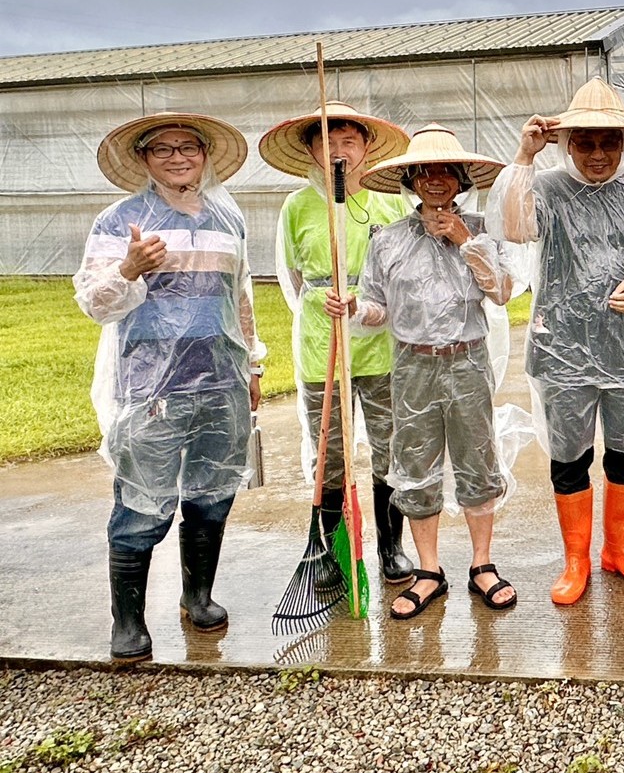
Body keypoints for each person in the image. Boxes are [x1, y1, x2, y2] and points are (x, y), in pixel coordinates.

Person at [74, 112, 265, 662]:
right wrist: (129, 268)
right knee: (141, 505)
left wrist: (252, 365)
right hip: (150, 388)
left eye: (188, 148)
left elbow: (240, 295)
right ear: (144, 159)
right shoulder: (119, 220)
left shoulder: (228, 217)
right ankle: (128, 620)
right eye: (163, 149)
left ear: (205, 155)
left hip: (222, 380)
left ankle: (197, 596)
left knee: (212, 494)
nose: (178, 158)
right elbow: (94, 303)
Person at [327, 124, 519, 619]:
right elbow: (378, 308)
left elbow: (501, 291)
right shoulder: (388, 240)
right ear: (411, 180)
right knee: (414, 466)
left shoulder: (482, 230)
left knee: (478, 461)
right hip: (412, 364)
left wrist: (464, 240)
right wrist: (354, 308)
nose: (435, 179)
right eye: (424, 172)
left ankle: (482, 564)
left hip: (468, 361)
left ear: (460, 179)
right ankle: (429, 570)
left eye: (445, 171)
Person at [494, 76, 624, 606]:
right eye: (585, 142)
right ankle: (576, 560)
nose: (597, 154)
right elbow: (514, 228)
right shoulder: (546, 188)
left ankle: (620, 550)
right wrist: (524, 157)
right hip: (561, 349)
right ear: (567, 145)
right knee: (569, 458)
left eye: (608, 142)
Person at [259, 102, 414, 583]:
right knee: (330, 452)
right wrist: (321, 302)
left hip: (382, 346)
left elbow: (405, 273)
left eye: (349, 141)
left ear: (367, 147)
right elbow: (293, 275)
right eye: (327, 142)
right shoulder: (298, 206)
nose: (339, 151)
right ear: (311, 150)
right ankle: (331, 549)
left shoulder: (391, 202)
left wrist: (366, 303)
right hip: (320, 345)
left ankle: (391, 546)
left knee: (390, 447)